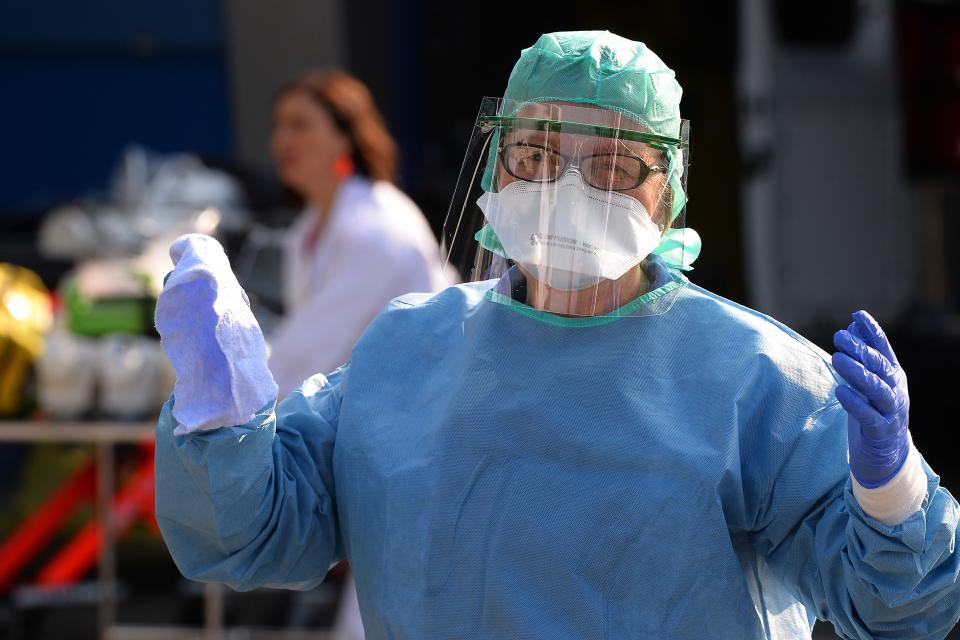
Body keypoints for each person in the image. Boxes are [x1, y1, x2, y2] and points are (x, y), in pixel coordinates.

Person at [153, 31, 960, 639]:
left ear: (668, 193)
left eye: (612, 166)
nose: (565, 187)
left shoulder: (755, 380)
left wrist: (890, 491)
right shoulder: (409, 353)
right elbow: (254, 537)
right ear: (498, 164)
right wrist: (219, 419)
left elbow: (898, 610)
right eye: (535, 153)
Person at [267, 70, 448, 397]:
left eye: (300, 125)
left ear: (345, 137)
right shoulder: (309, 226)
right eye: (279, 125)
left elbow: (308, 357)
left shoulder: (375, 228)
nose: (282, 140)